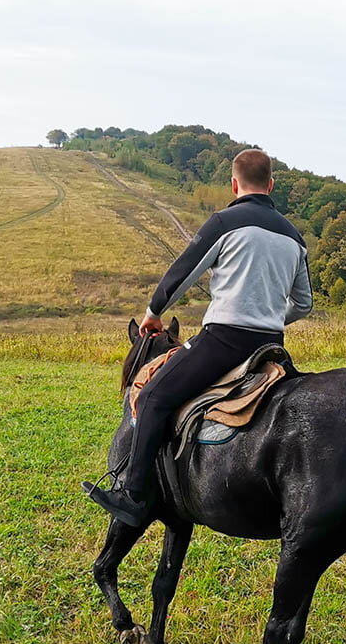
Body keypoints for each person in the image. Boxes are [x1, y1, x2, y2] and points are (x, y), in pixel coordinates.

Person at [85, 148, 313, 526]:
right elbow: (303, 304)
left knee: (155, 395)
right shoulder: (294, 236)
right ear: (271, 184)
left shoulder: (225, 221)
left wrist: (153, 312)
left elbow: (183, 272)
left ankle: (133, 495)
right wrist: (271, 316)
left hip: (224, 341)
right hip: (272, 347)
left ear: (234, 183)